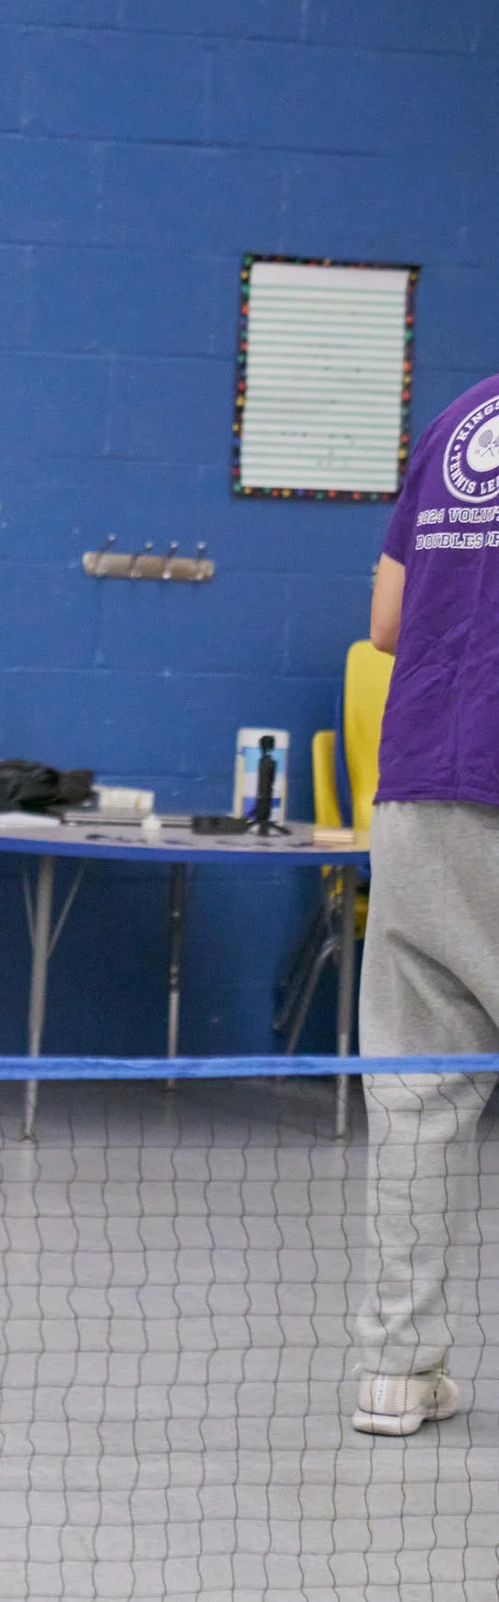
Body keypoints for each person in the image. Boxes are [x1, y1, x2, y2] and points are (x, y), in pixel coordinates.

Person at [350, 369, 499, 1438]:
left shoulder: (459, 417)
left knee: (415, 1097)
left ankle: (397, 1371)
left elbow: (388, 621)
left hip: (415, 793)